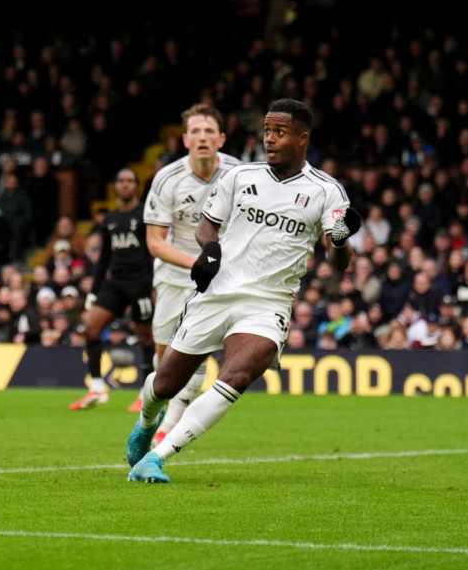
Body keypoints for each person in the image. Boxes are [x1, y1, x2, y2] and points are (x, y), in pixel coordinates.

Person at [127, 99, 359, 483]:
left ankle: (157, 457)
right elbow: (207, 225)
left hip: (268, 303)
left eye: (279, 132)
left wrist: (338, 241)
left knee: (235, 376)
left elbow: (340, 261)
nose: (269, 139)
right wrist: (211, 249)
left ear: (302, 138)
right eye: (266, 130)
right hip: (217, 292)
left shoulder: (327, 192)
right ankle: (146, 424)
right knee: (166, 383)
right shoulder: (239, 176)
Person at [138, 103, 241, 440]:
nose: (202, 137)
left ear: (221, 138)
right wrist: (197, 263)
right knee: (165, 357)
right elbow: (155, 242)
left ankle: (167, 428)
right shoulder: (167, 179)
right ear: (184, 140)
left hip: (222, 276)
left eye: (209, 131)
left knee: (199, 348)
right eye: (195, 131)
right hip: (175, 273)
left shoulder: (240, 175)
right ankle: (154, 414)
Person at [69, 169, 154, 410]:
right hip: (115, 282)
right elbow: (104, 259)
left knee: (145, 337)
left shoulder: (145, 215)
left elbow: (153, 251)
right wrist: (94, 292)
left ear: (136, 186)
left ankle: (145, 394)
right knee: (92, 329)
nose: (125, 185)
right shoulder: (111, 219)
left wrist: (154, 284)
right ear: (116, 187)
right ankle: (97, 388)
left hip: (141, 282)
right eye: (121, 181)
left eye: (130, 181)